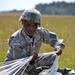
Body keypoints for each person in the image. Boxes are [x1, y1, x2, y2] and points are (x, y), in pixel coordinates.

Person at [5, 9, 65, 75]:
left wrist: (58, 46)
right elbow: (22, 65)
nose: (31, 28)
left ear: (37, 25)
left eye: (34, 26)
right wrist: (32, 61)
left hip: (32, 61)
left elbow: (55, 40)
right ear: (23, 22)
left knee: (53, 57)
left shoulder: (40, 32)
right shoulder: (16, 40)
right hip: (15, 66)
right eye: (28, 25)